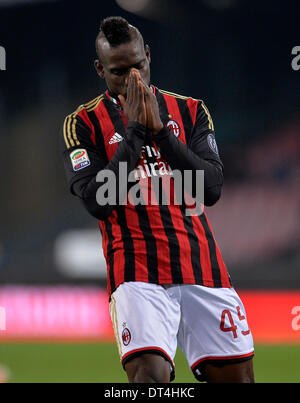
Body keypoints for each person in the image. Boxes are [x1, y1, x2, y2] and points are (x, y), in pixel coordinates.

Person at [60, 16, 255, 383]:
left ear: (148, 55)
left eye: (139, 66)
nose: (133, 78)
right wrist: (134, 131)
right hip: (137, 275)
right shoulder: (82, 123)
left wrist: (161, 134)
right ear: (100, 69)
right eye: (120, 71)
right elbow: (97, 201)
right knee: (150, 378)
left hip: (204, 271)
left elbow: (210, 189)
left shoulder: (191, 110)